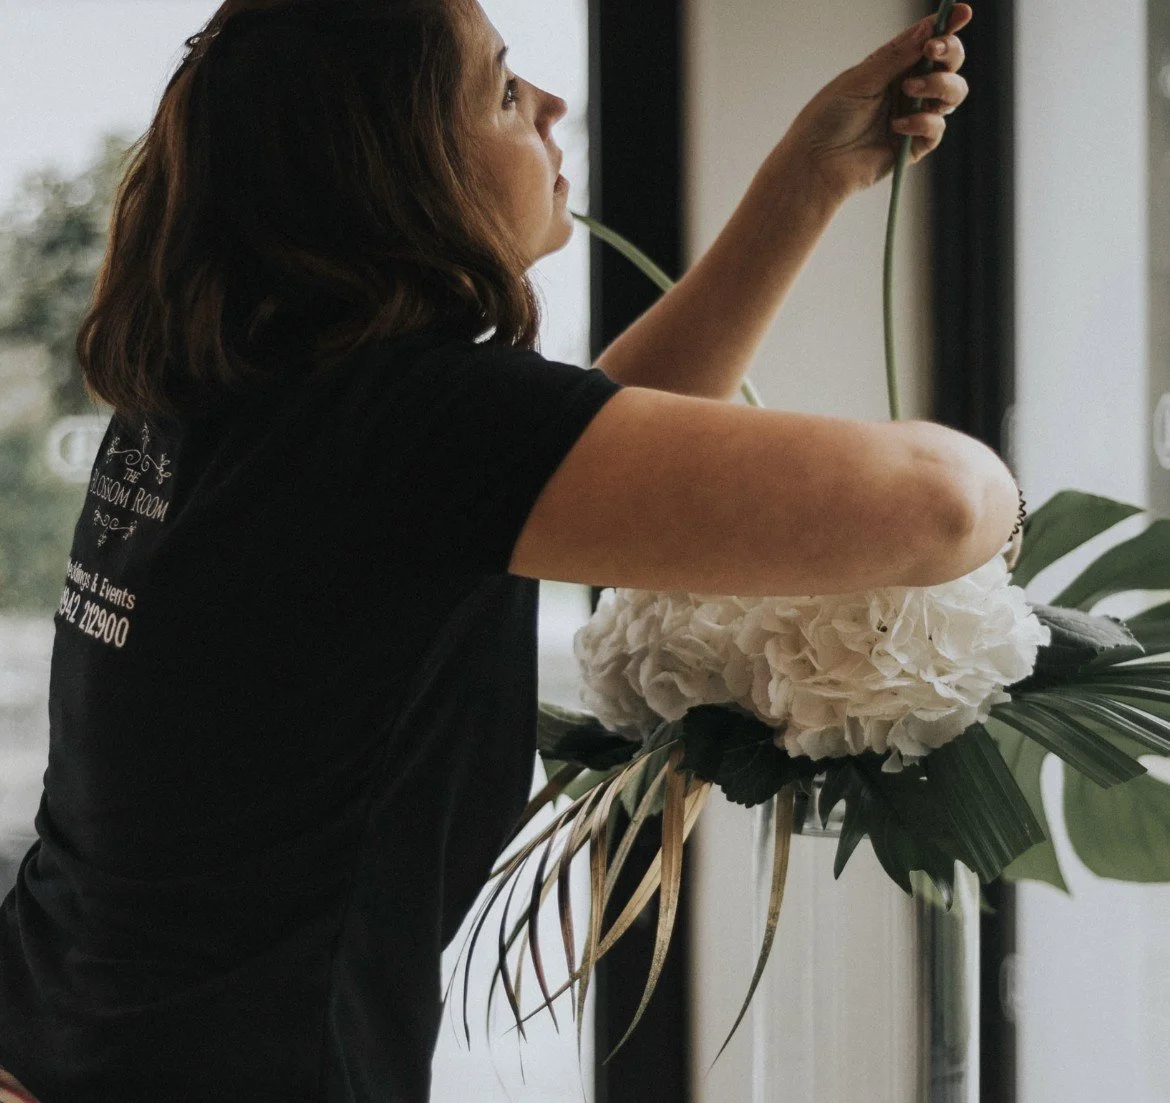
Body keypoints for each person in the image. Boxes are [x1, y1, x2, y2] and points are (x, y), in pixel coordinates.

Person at [0, 0, 1010, 1099]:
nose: (552, 105)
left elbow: (569, 459)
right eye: (499, 88)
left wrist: (806, 181)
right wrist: (1008, 496)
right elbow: (944, 505)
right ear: (395, 167)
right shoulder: (407, 427)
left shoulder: (239, 388)